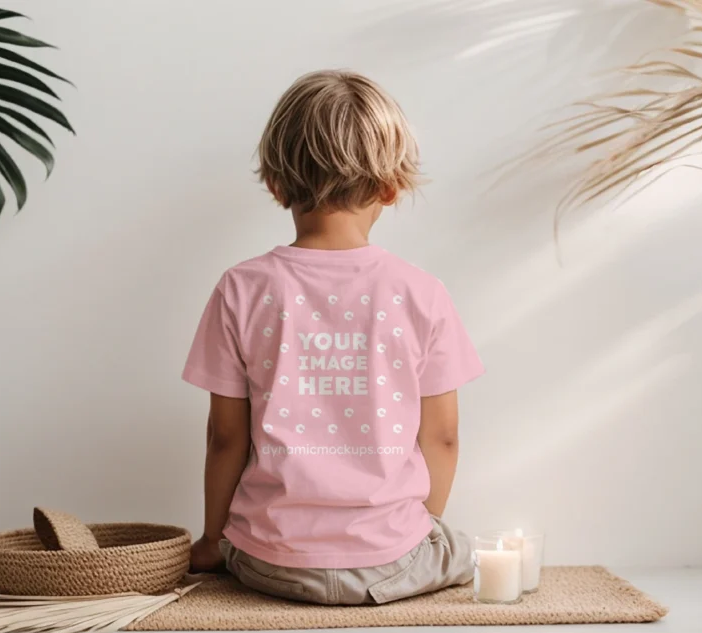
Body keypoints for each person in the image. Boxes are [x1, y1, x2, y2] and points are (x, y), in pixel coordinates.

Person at [181, 70, 484, 605]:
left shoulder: (242, 288)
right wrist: (421, 528)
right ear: (391, 189)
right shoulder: (422, 292)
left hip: (269, 561)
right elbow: (442, 438)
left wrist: (211, 542)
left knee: (238, 546)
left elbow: (225, 439)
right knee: (476, 552)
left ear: (276, 185)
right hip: (394, 561)